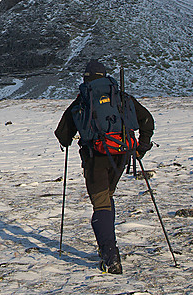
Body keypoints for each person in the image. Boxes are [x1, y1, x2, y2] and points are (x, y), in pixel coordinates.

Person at [55, 59, 154, 274]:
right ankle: (109, 248)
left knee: (100, 204)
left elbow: (62, 135)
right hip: (121, 156)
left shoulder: (83, 100)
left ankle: (110, 257)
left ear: (86, 78)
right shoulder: (121, 97)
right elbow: (147, 120)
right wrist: (141, 147)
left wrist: (71, 138)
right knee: (107, 198)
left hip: (95, 158)